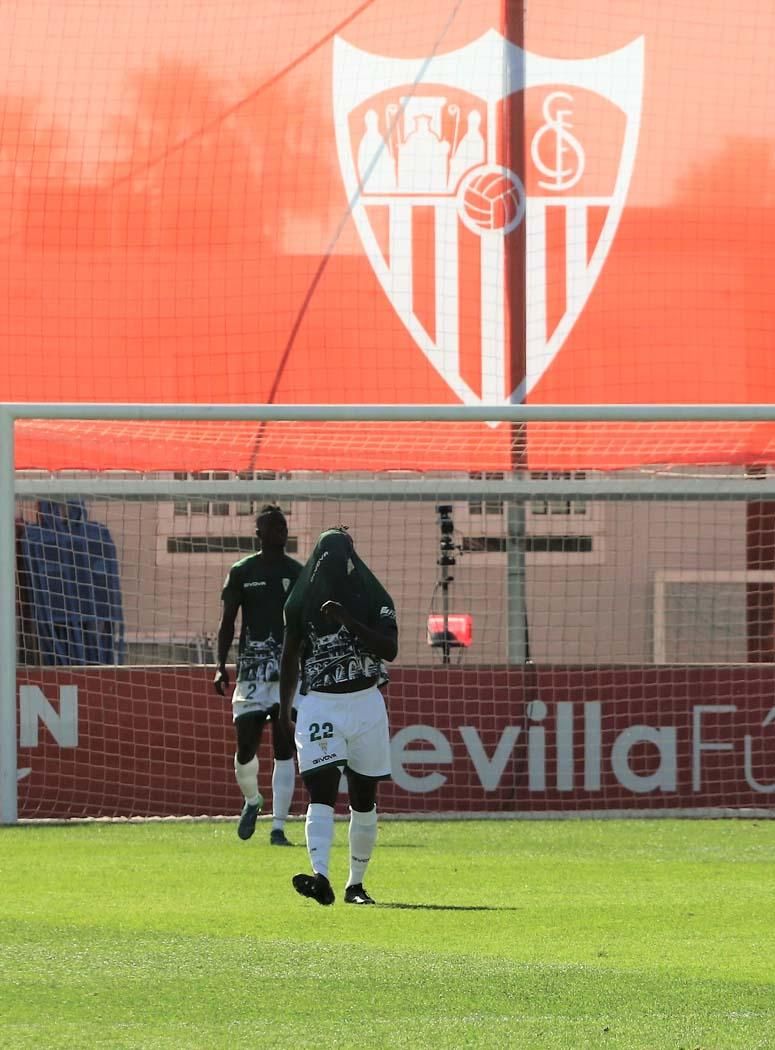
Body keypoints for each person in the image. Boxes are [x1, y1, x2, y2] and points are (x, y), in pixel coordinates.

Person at [279, 527, 398, 906]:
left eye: (339, 554)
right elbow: (288, 656)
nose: (331, 562)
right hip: (320, 704)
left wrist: (349, 620)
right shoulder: (300, 602)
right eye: (324, 555)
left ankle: (356, 884)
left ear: (351, 557)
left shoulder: (372, 595)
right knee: (321, 790)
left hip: (366, 703)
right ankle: (321, 876)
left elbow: (390, 649)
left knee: (364, 799)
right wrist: (283, 710)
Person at [214, 504, 303, 845]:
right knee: (246, 746)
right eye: (273, 526)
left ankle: (278, 827)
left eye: (283, 525)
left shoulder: (298, 573)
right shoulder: (242, 571)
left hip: (286, 676)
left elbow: (305, 625)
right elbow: (227, 622)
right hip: (251, 672)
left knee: (284, 747)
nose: (280, 530)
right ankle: (252, 801)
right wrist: (220, 665)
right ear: (259, 534)